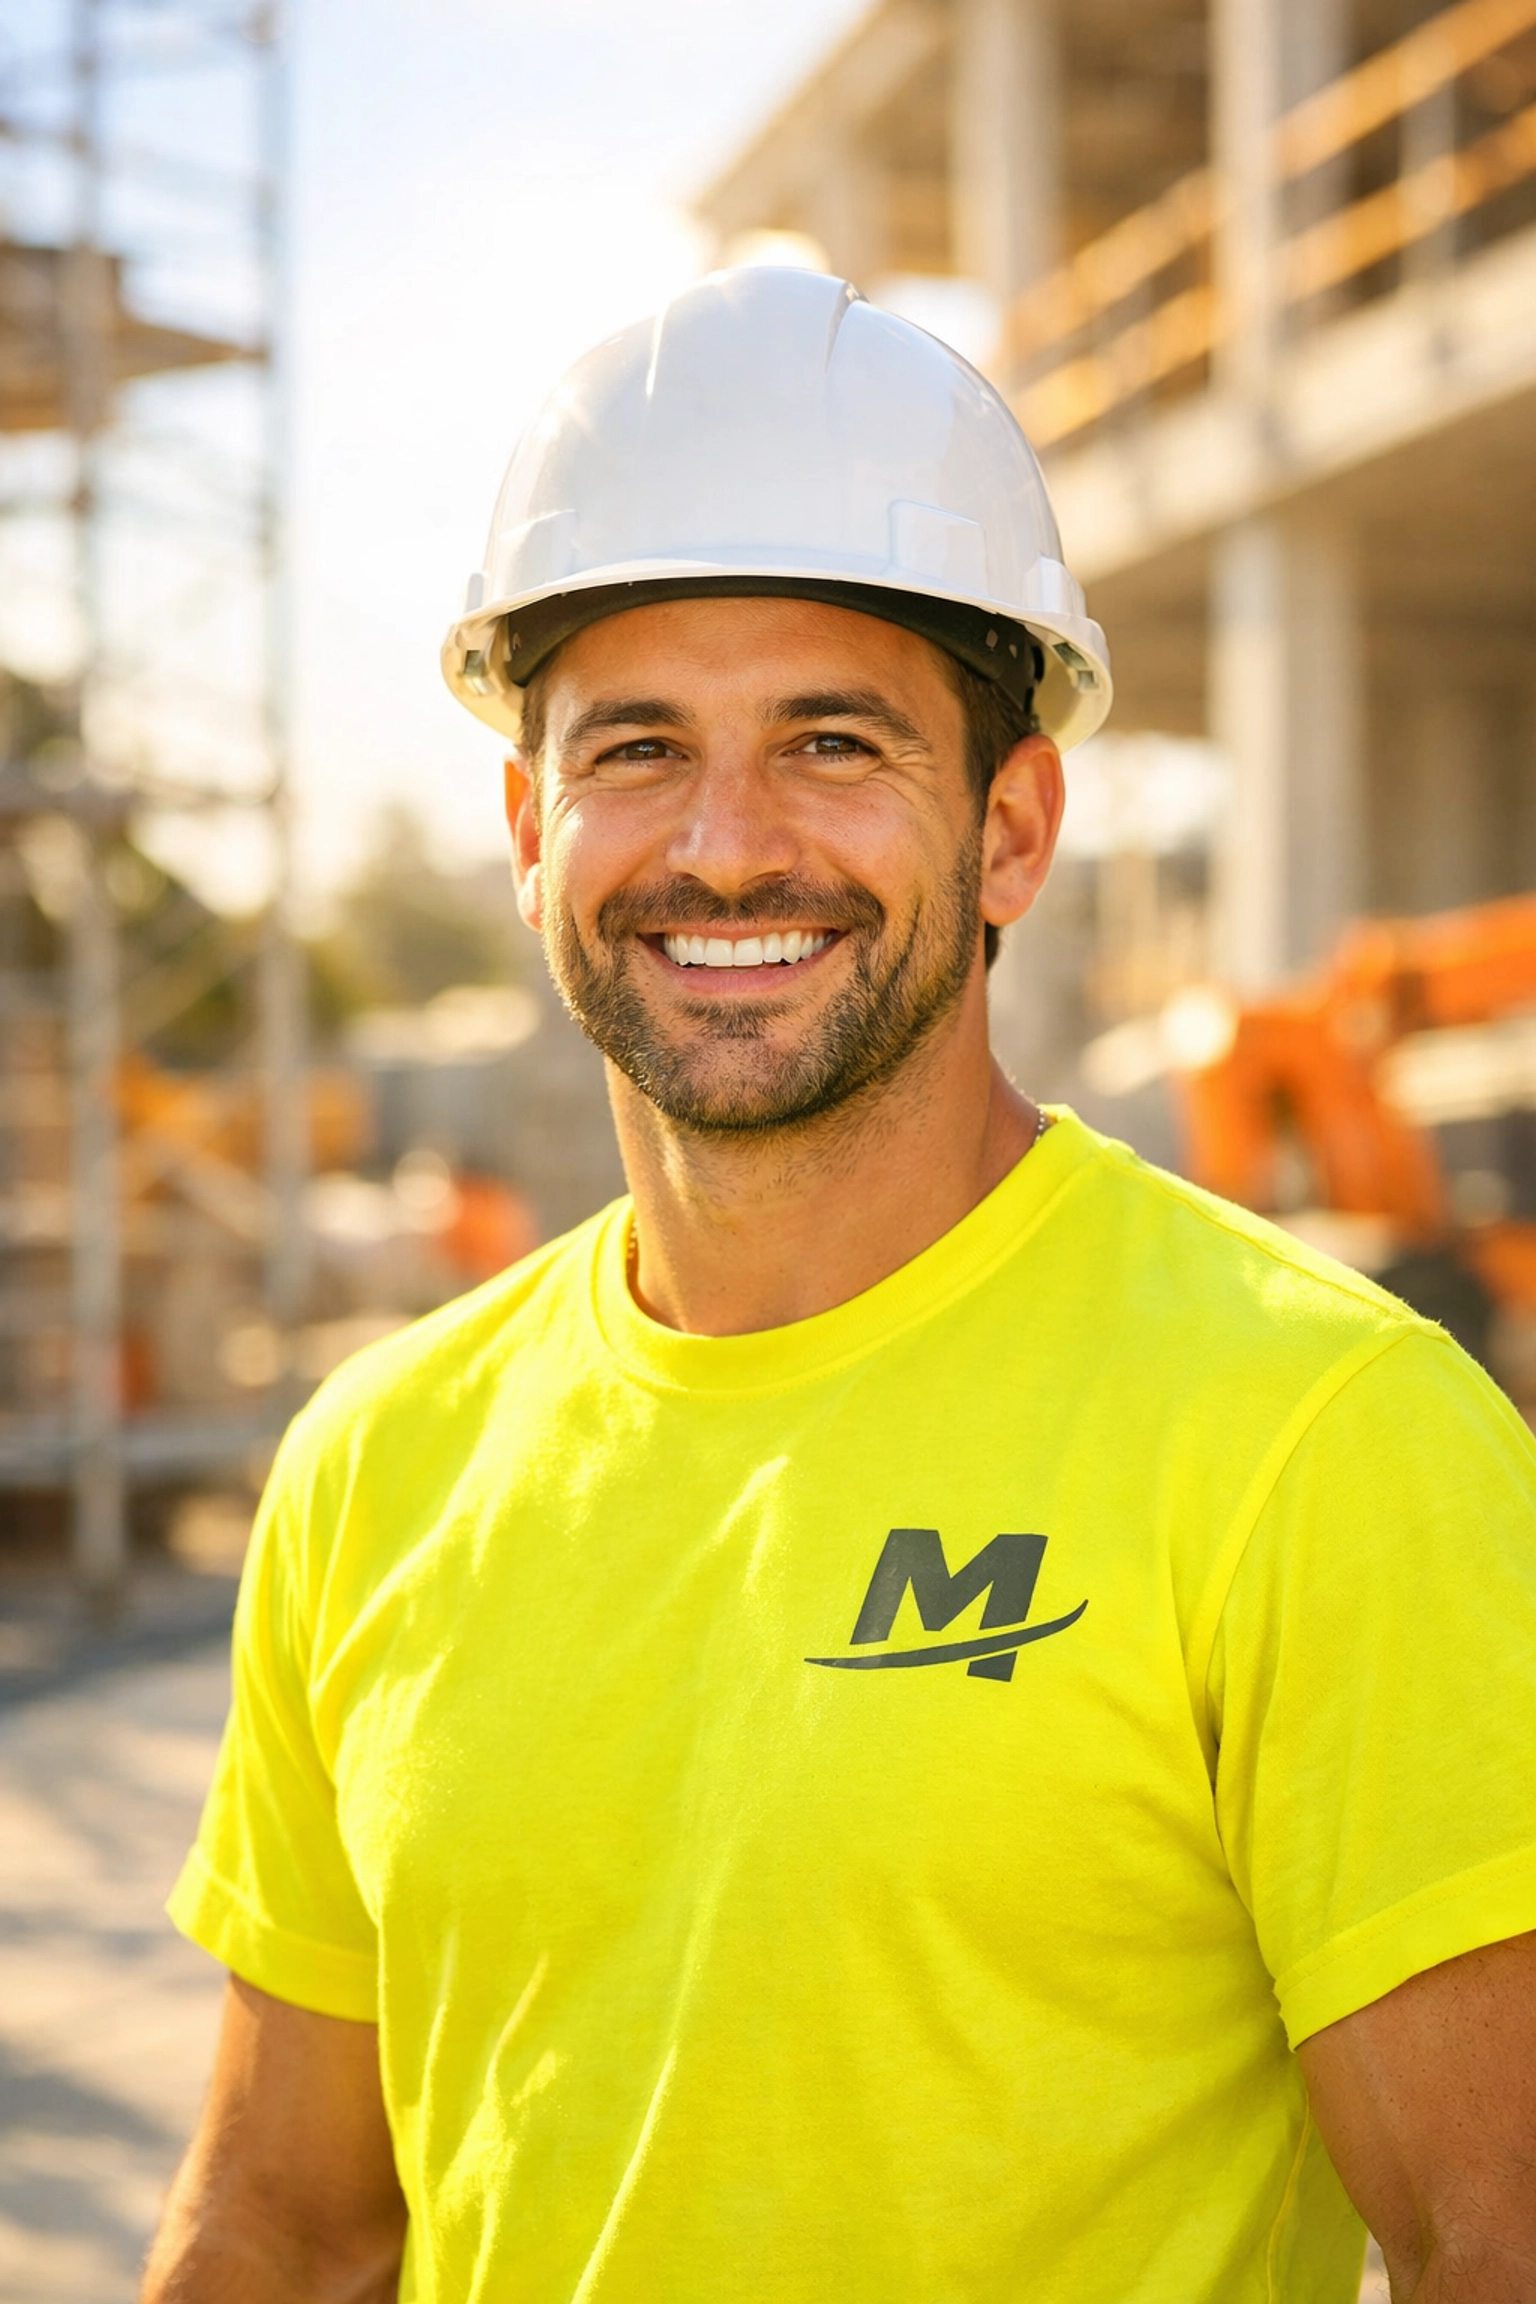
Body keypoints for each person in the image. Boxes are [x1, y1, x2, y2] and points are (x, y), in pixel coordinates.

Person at [145, 269, 1536, 2304]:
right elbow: (277, 2232)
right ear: (532, 825)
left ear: (1010, 828)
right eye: (636, 749)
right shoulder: (376, 1460)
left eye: (830, 741)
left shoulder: (1325, 1433)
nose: (724, 846)